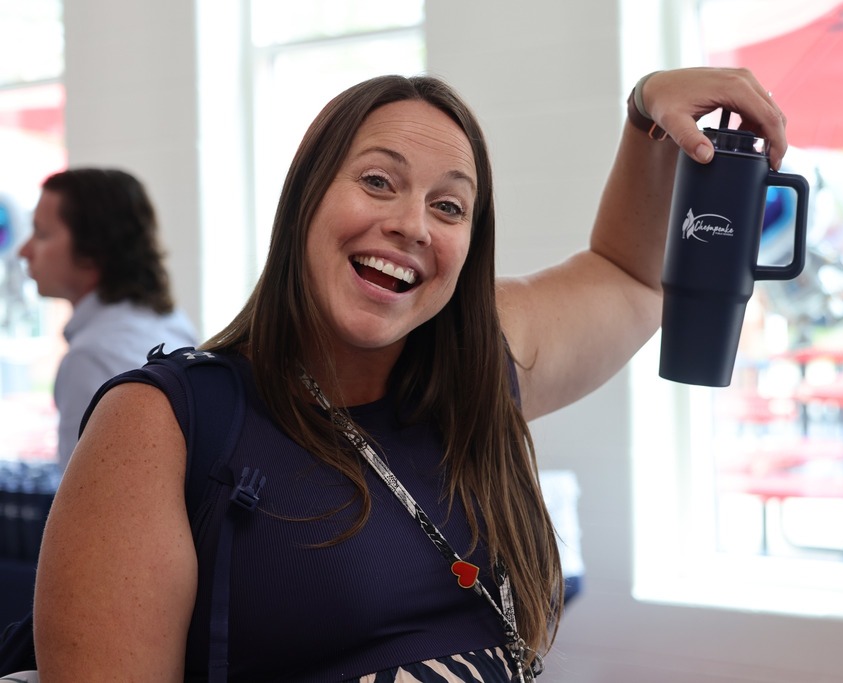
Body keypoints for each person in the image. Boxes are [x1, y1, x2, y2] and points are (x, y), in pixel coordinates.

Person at [30, 68, 787, 682]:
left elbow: (628, 275)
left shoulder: (477, 373)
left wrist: (648, 113)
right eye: (378, 182)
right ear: (304, 197)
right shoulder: (162, 423)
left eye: (449, 206)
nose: (413, 225)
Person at [18, 168, 197, 471]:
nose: (25, 251)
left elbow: (80, 504)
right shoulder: (170, 321)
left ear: (92, 250)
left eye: (42, 233)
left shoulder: (90, 357)